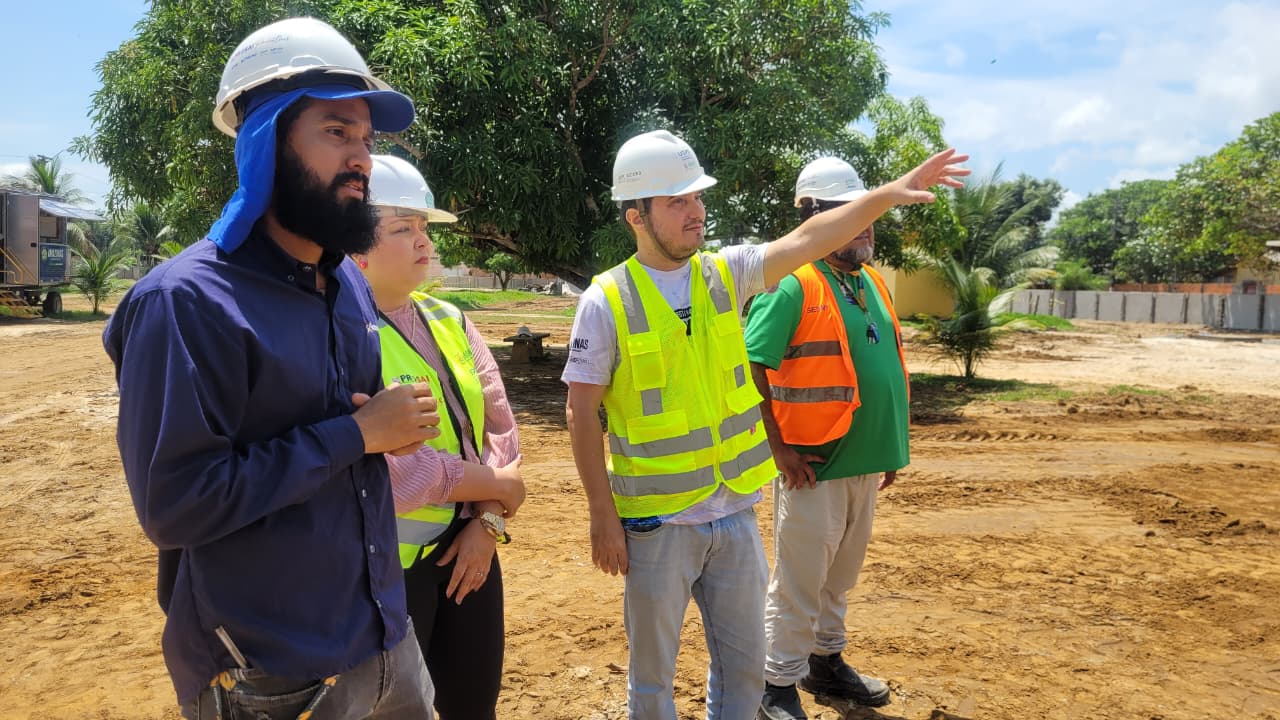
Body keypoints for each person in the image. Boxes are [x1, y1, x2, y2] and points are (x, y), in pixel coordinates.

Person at [563, 130, 966, 720]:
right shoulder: (606, 299)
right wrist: (602, 515)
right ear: (636, 216)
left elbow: (807, 239)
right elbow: (580, 412)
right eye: (676, 201)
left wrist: (885, 195)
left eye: (697, 197)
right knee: (652, 681)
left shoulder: (725, 274)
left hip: (733, 512)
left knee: (746, 671)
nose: (696, 211)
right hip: (656, 521)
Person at [104, 18, 440, 719]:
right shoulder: (186, 303)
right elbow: (176, 503)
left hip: (383, 636)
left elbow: (348, 434)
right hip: (271, 674)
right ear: (266, 142)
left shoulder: (346, 284)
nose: (362, 159)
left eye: (367, 140)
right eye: (336, 132)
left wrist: (378, 425)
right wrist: (357, 435)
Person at [352, 153, 526, 719]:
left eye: (424, 227)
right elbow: (394, 475)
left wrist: (488, 521)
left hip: (470, 550)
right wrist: (495, 486)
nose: (424, 241)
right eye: (403, 228)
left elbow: (499, 427)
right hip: (386, 571)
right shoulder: (342, 336)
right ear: (355, 244)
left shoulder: (450, 319)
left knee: (473, 704)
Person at [745, 157, 910, 719]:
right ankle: (775, 684)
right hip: (812, 465)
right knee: (798, 582)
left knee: (839, 578)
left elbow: (882, 366)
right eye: (850, 213)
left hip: (864, 460)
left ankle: (826, 662)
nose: (865, 225)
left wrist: (889, 446)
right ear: (815, 218)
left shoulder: (872, 283)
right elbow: (750, 367)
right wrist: (778, 449)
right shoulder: (792, 284)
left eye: (867, 214)